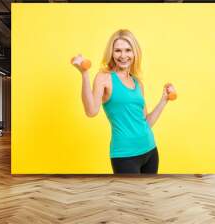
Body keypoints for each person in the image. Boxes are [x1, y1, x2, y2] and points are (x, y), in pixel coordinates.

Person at [72, 29, 176, 174]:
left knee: (149, 197)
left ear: (134, 53)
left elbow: (145, 122)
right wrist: (84, 74)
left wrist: (163, 100)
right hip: (125, 156)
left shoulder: (137, 82)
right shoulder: (104, 77)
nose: (123, 56)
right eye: (118, 51)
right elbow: (91, 111)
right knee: (129, 197)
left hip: (150, 150)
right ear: (111, 53)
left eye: (128, 50)